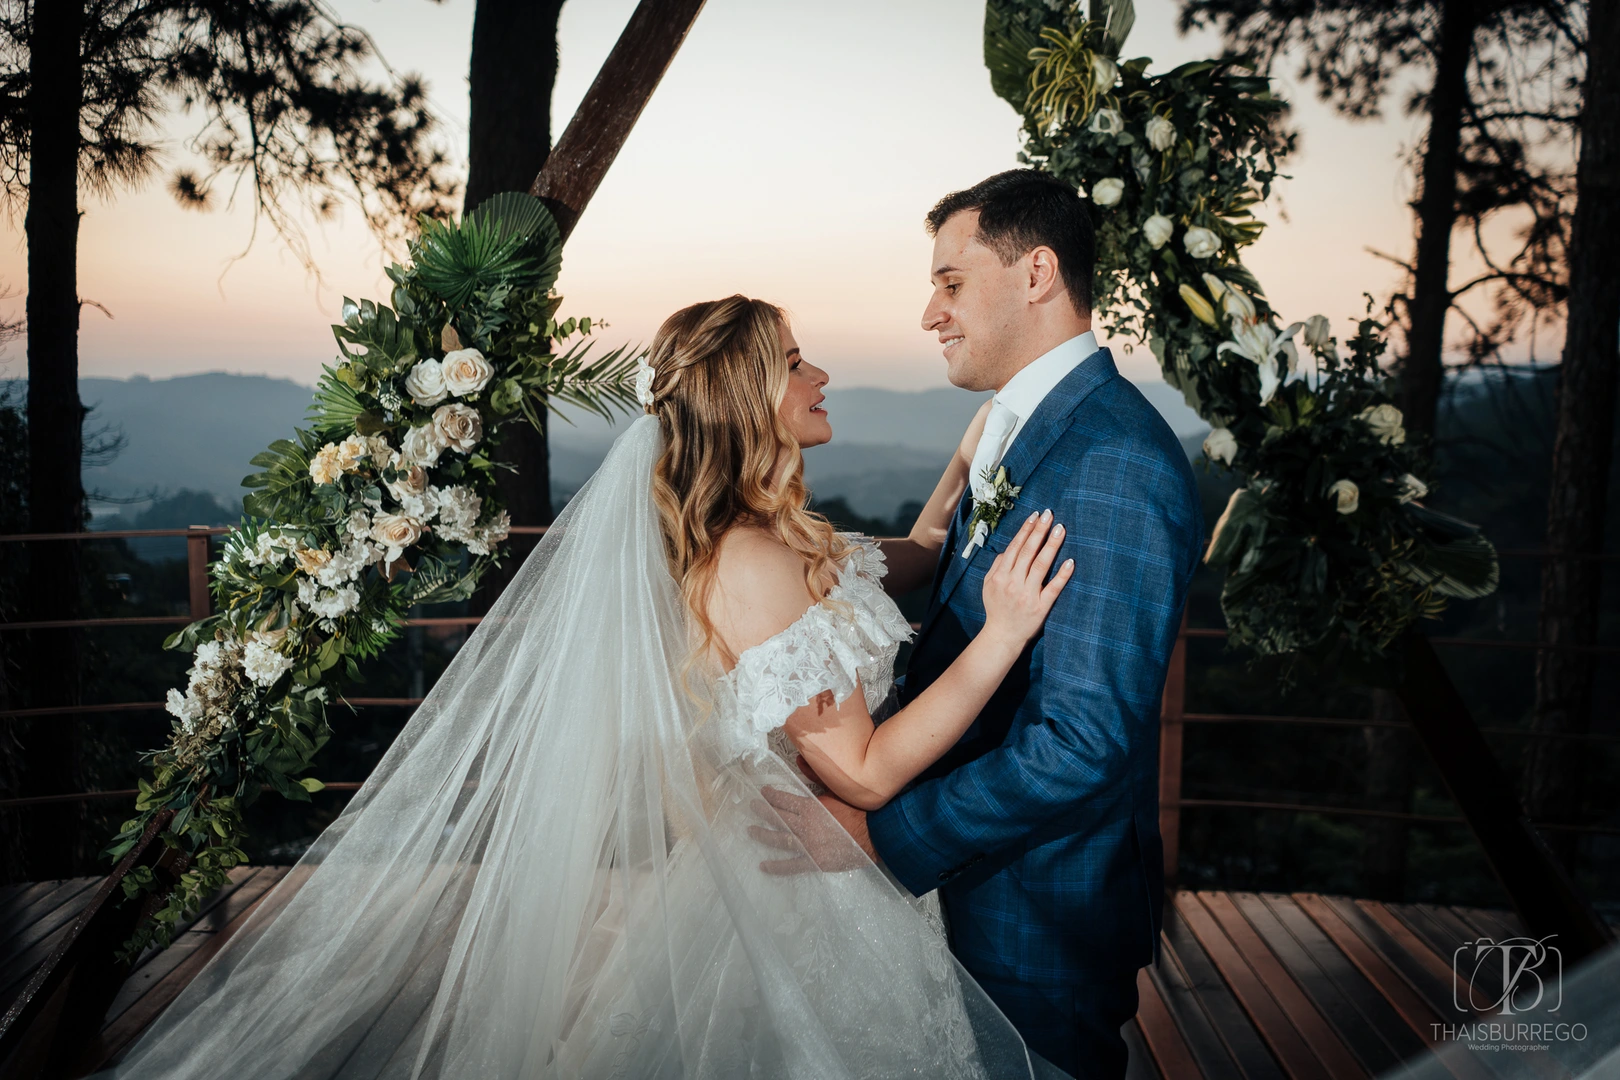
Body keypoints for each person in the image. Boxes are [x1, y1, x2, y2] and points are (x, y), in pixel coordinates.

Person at [103, 294, 1079, 1078]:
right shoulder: (749, 559)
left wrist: (964, 458)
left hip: (815, 872)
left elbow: (909, 556)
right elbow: (863, 774)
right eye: (793, 361)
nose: (820, 374)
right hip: (800, 895)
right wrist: (1000, 638)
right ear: (746, 396)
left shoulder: (792, 538)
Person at [759, 170, 1205, 1078]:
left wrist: (883, 837)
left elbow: (1083, 741)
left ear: (1037, 273)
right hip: (966, 896)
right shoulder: (1014, 426)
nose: (931, 314)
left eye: (951, 283)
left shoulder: (1117, 459)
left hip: (1033, 911)